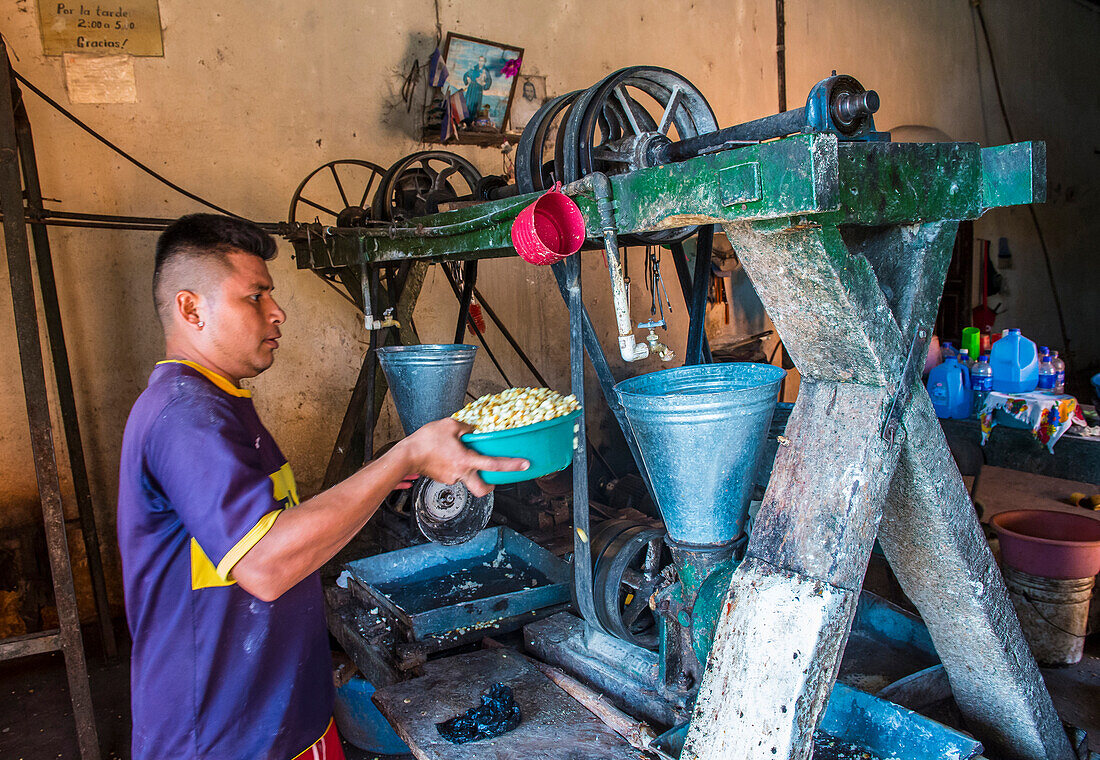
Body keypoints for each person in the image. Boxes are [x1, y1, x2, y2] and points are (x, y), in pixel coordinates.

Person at [117, 214, 527, 759]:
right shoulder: (187, 415)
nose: (276, 311)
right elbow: (265, 564)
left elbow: (275, 528)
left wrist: (391, 472)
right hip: (225, 738)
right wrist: (403, 454)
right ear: (191, 308)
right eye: (255, 296)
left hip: (280, 718)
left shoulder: (220, 404)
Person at [462, 55, 492, 125]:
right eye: (479, 60)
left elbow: (488, 82)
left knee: (476, 106)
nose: (480, 62)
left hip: (478, 91)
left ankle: (472, 122)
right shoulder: (473, 69)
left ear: (484, 62)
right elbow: (466, 75)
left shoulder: (486, 71)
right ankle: (464, 122)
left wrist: (483, 84)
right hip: (471, 90)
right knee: (467, 104)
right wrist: (467, 79)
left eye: (482, 61)